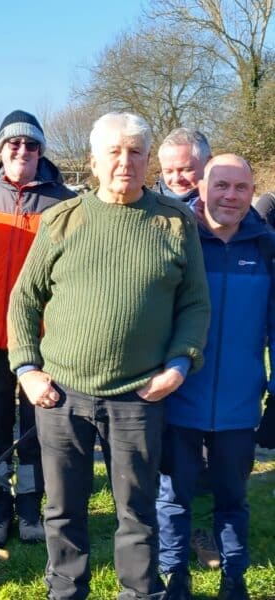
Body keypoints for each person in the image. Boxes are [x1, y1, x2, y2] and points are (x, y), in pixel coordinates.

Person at [8, 112, 210, 599]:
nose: (125, 161)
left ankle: (139, 593)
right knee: (62, 509)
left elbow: (195, 304)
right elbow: (24, 299)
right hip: (62, 395)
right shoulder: (62, 219)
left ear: (148, 159)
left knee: (137, 511)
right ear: (94, 161)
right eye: (114, 152)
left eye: (135, 151)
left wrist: (179, 364)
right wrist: (28, 369)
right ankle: (65, 591)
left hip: (140, 395)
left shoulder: (174, 222)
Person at [0, 110, 73, 548]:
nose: (22, 151)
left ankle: (31, 507)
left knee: (37, 430)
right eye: (14, 144)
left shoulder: (64, 203)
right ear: (0, 150)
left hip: (42, 340)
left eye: (31, 144)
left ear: (41, 151)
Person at [156, 154, 273, 600]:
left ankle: (234, 578)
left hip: (240, 404)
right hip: (179, 397)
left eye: (241, 187)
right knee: (173, 497)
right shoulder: (176, 239)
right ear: (201, 189)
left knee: (233, 498)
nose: (231, 196)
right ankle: (174, 577)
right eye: (221, 185)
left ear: (252, 193)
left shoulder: (267, 248)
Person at [157, 127, 219, 570]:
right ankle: (166, 538)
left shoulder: (225, 212)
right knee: (167, 452)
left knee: (213, 453)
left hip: (213, 346)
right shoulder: (149, 211)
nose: (178, 178)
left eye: (187, 169)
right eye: (169, 170)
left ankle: (207, 530)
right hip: (161, 350)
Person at [156, 128, 211, 203]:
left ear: (208, 164)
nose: (176, 179)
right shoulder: (147, 206)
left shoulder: (224, 205)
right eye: (168, 171)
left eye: (186, 170)